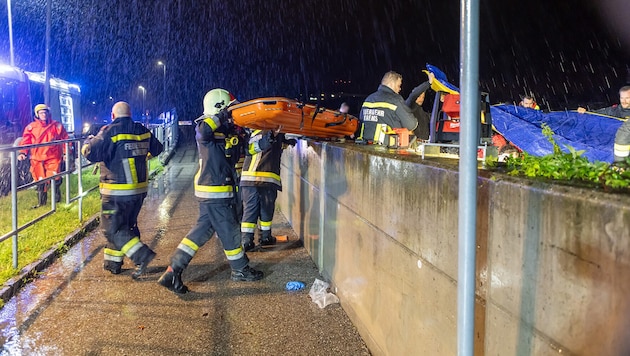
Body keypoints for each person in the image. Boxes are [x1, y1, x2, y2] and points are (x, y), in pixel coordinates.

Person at [158, 89, 263, 294]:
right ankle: (240, 269)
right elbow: (203, 131)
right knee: (230, 230)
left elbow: (248, 149)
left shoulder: (227, 131)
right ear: (220, 107)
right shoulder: (205, 128)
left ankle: (173, 271)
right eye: (230, 108)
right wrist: (222, 115)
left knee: (200, 232)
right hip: (216, 191)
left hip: (218, 191)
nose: (234, 113)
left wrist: (270, 140)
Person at [81, 101, 163, 278]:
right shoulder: (141, 130)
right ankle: (113, 264)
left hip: (116, 192)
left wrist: (89, 138)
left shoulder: (109, 131)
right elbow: (158, 148)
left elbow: (89, 152)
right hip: (139, 191)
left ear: (113, 116)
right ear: (130, 114)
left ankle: (142, 255)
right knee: (126, 226)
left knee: (111, 228)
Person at [240, 129, 296, 251]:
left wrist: (286, 142)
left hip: (255, 180)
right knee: (259, 210)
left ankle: (255, 239)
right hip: (260, 178)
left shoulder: (262, 132)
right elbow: (266, 145)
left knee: (258, 210)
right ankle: (256, 239)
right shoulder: (266, 132)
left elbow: (273, 148)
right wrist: (279, 138)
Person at [18, 104, 70, 208]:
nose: (44, 114)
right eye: (41, 112)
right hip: (37, 158)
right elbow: (26, 141)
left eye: (45, 112)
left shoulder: (56, 126)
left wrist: (66, 153)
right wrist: (23, 153)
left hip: (53, 157)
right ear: (37, 114)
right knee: (40, 180)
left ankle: (57, 201)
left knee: (55, 178)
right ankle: (42, 203)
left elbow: (65, 139)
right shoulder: (31, 127)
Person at [357, 71, 422, 145]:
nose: (400, 89)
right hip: (385, 148)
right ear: (391, 84)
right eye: (398, 85)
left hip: (364, 146)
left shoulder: (368, 99)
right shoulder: (395, 100)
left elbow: (361, 120)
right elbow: (411, 125)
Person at [405, 72, 435, 140]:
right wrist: (428, 83)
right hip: (412, 144)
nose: (421, 99)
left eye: (423, 97)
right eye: (419, 97)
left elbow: (433, 118)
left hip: (423, 144)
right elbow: (413, 95)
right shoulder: (408, 105)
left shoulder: (422, 112)